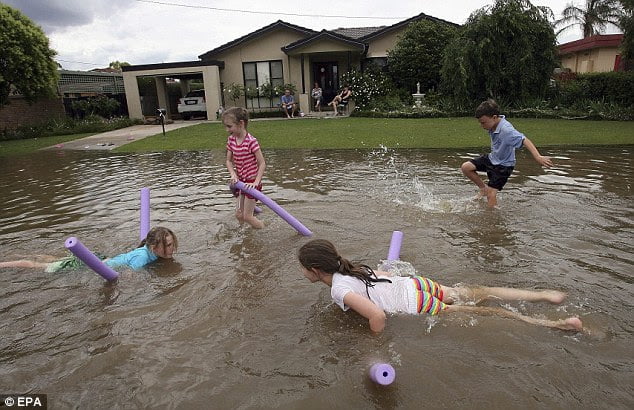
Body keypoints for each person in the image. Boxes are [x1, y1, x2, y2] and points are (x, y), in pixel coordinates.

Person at [298, 239, 583, 334]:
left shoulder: (338, 289)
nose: (302, 273)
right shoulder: (352, 266)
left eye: (303, 268)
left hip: (415, 304)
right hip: (419, 285)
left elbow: (377, 315)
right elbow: (384, 273)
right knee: (482, 293)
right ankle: (545, 295)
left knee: (488, 313)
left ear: (315, 270)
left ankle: (556, 325)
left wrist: (375, 344)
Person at [461, 99, 553, 207]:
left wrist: (538, 156)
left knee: (491, 195)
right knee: (466, 167)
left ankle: (491, 217)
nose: (482, 126)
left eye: (483, 122)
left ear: (494, 117)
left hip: (504, 166)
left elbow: (524, 140)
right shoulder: (494, 123)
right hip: (493, 158)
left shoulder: (506, 130)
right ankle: (483, 189)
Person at [0, 227, 178, 272]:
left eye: (171, 244)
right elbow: (130, 274)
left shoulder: (148, 251)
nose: (172, 248)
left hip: (99, 259)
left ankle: (15, 254)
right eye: (168, 245)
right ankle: (6, 263)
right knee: (38, 266)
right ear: (154, 247)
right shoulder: (142, 258)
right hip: (93, 265)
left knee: (53, 259)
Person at [224, 107, 266, 229]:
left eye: (229, 126)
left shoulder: (251, 141)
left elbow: (262, 163)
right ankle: (245, 234)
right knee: (239, 215)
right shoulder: (231, 140)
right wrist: (233, 174)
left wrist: (256, 182)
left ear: (241, 124)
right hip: (241, 182)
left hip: (251, 183)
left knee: (247, 217)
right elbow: (228, 161)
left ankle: (264, 229)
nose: (227, 130)